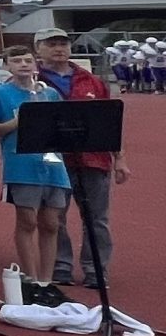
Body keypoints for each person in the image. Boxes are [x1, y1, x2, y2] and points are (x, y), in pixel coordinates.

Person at [35, 30, 128, 290]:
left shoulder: (92, 81)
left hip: (93, 159)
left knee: (97, 219)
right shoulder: (32, 81)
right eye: (51, 44)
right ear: (38, 49)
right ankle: (60, 266)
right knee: (54, 218)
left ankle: (96, 269)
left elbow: (111, 122)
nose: (58, 49)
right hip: (52, 162)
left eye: (63, 44)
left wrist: (120, 158)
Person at [0, 47, 71, 306]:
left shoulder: (49, 93)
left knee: (52, 222)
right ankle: (30, 279)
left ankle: (47, 280)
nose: (23, 64)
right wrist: (18, 121)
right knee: (27, 220)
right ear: (7, 66)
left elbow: (62, 124)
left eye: (27, 60)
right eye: (16, 61)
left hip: (52, 164)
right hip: (21, 164)